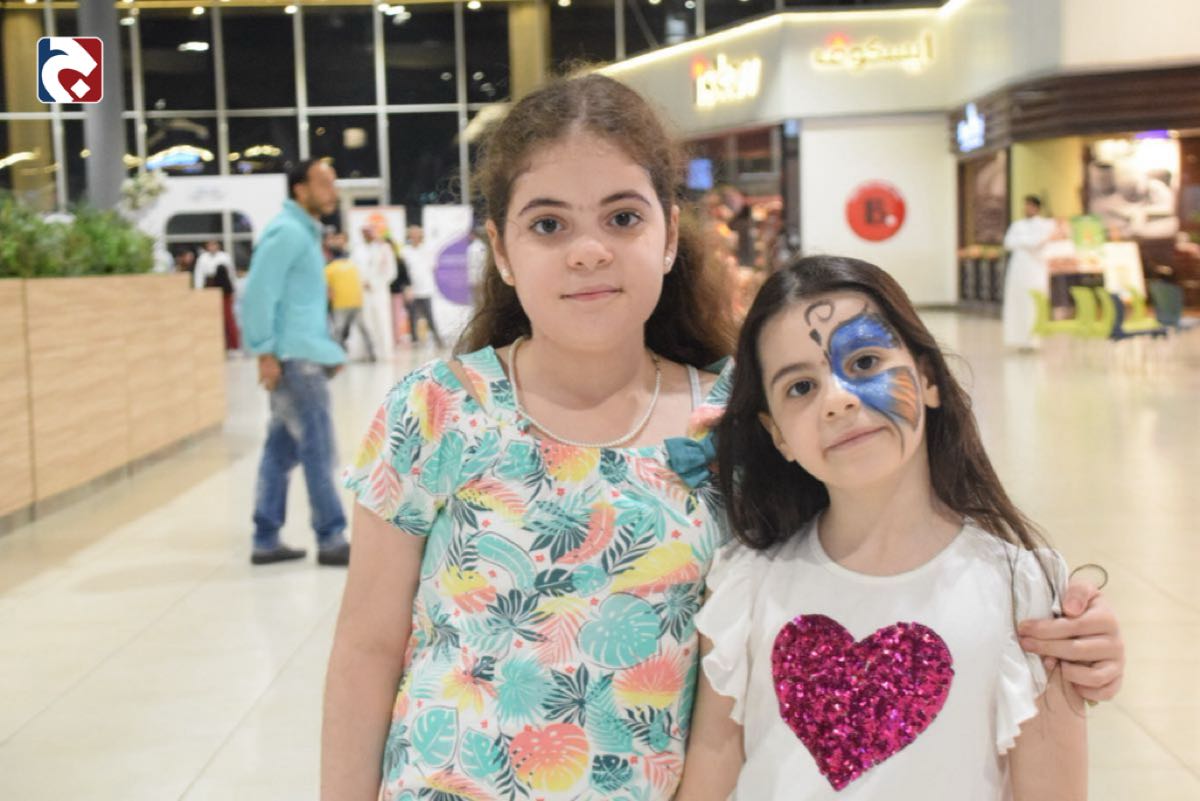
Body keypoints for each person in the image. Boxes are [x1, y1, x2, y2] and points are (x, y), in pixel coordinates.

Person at [320, 75, 1124, 801]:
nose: (589, 250)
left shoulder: (736, 421)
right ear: (501, 249)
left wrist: (1064, 633)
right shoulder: (435, 411)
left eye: (623, 217)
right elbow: (366, 647)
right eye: (548, 224)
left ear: (669, 235)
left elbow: (875, 542)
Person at [676, 256, 1088, 801]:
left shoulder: (1024, 592)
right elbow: (712, 767)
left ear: (928, 378)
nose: (838, 399)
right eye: (800, 387)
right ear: (777, 436)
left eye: (865, 362)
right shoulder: (746, 585)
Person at [240, 159, 351, 568]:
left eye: (333, 183)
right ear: (299, 189)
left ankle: (266, 538)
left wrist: (327, 351)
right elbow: (258, 294)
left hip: (302, 354)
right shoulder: (287, 232)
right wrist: (264, 351)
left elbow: (301, 304)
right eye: (324, 183)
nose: (332, 191)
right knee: (318, 448)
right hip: (294, 360)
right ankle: (331, 537)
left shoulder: (304, 232)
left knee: (280, 450)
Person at [1002, 195, 1058, 351]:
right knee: (1017, 302)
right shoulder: (1017, 225)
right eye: (1025, 205)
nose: (1026, 208)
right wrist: (1027, 242)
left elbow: (1037, 243)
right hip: (1017, 269)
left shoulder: (1045, 225)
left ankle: (1034, 340)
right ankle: (1017, 339)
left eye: (1029, 205)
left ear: (1036, 207)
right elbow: (1008, 243)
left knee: (1034, 302)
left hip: (1035, 269)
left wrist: (1022, 242)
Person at [351, 224, 399, 360]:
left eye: (369, 232)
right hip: (362, 292)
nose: (367, 235)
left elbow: (391, 272)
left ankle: (384, 353)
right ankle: (366, 354)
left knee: (381, 321)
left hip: (379, 292)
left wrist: (373, 283)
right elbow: (352, 270)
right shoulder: (357, 249)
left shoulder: (384, 248)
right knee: (365, 322)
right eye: (364, 232)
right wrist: (360, 283)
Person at [325, 240, 376, 361]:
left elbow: (327, 290)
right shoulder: (352, 266)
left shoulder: (329, 269)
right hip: (356, 302)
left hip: (340, 303)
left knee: (338, 331)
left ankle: (337, 357)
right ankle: (372, 354)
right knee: (363, 328)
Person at [400, 224, 445, 348]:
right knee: (412, 316)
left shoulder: (427, 249)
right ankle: (415, 341)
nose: (414, 236)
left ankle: (437, 339)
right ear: (409, 236)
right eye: (412, 234)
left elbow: (433, 267)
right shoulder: (405, 251)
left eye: (417, 234)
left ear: (421, 235)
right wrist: (406, 287)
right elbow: (403, 271)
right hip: (411, 290)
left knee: (429, 316)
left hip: (426, 288)